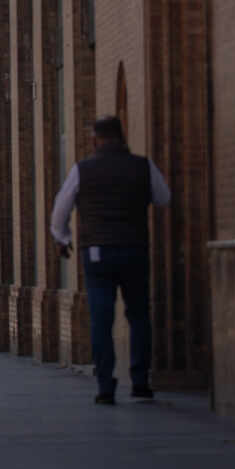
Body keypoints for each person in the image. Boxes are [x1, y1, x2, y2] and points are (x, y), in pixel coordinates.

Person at [50, 115, 170, 405]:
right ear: (123, 136)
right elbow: (163, 198)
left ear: (95, 140)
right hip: (134, 248)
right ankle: (140, 383)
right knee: (139, 315)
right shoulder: (143, 166)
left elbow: (60, 211)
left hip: (97, 252)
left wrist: (63, 239)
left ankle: (106, 386)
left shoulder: (82, 170)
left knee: (101, 319)